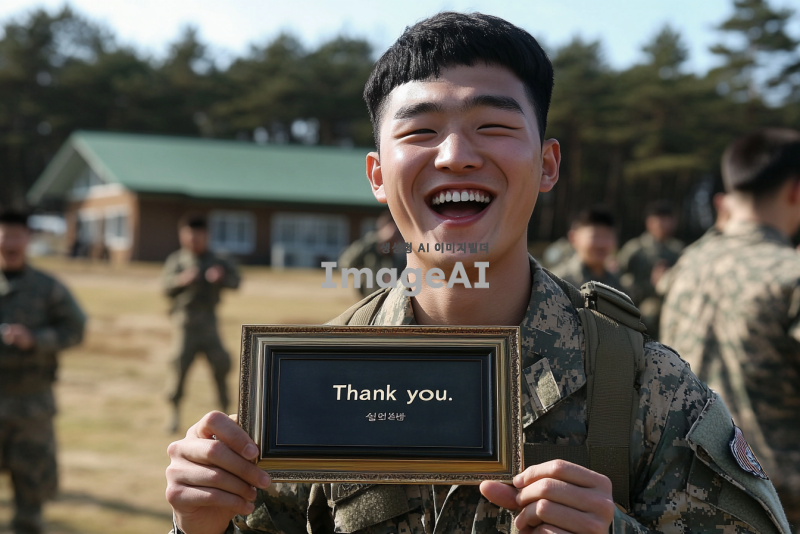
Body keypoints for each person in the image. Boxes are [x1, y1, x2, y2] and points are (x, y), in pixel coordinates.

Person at [165, 13, 790, 534]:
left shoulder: (644, 389)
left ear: (547, 166)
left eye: (493, 126)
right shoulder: (314, 385)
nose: (457, 156)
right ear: (377, 176)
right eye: (420, 131)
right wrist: (200, 525)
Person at [661, 128, 800, 529]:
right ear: (796, 191)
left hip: (682, 497)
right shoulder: (790, 275)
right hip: (776, 508)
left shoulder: (686, 265)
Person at [0, 209, 86, 534]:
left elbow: (76, 329)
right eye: (4, 235)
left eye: (16, 236)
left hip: (31, 407)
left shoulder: (48, 288)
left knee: (31, 492)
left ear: (28, 239)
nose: (10, 243)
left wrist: (35, 340)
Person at [162, 214, 241, 433]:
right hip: (185, 324)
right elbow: (164, 287)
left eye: (198, 236)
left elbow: (236, 281)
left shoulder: (218, 259)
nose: (193, 241)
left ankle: (227, 415)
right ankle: (173, 415)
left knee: (221, 365)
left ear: (206, 236)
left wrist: (221, 277)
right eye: (189, 236)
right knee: (178, 367)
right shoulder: (177, 260)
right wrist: (181, 280)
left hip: (209, 324)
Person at [617, 200, 683, 338]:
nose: (665, 225)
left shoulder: (677, 250)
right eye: (660, 221)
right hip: (640, 304)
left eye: (668, 220)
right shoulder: (635, 249)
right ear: (649, 222)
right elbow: (617, 277)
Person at [338, 210, 407, 297]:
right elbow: (345, 263)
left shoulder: (405, 255)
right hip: (371, 299)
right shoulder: (370, 252)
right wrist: (376, 238)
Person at [550, 206, 621, 290]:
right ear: (573, 238)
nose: (601, 244)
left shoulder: (618, 285)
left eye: (607, 236)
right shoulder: (556, 283)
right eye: (595, 236)